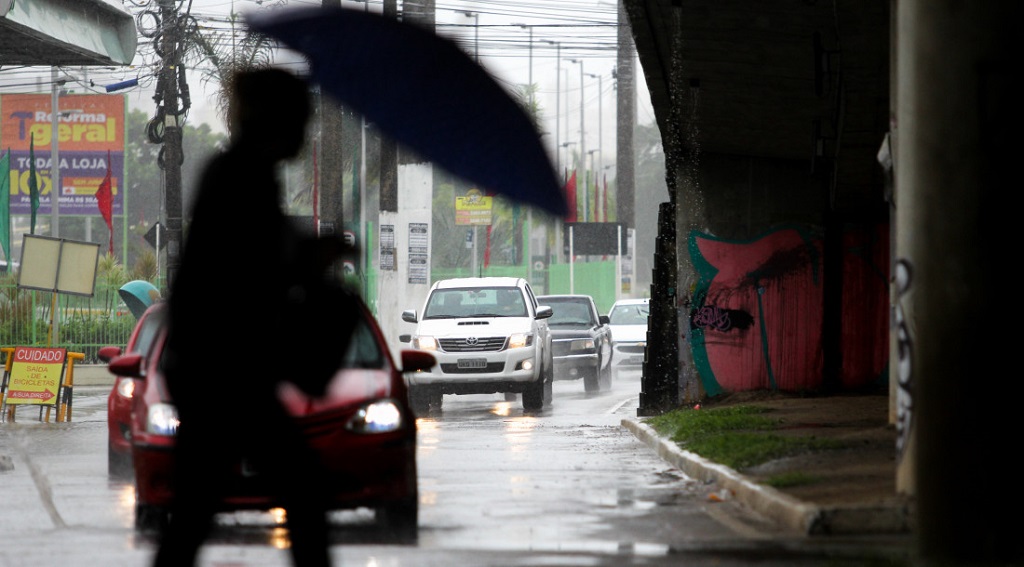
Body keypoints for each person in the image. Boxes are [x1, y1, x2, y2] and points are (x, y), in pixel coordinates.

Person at [155, 68, 336, 567]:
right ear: (279, 119)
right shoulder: (244, 175)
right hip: (223, 374)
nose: (308, 130)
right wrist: (308, 262)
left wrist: (307, 255)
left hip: (219, 371)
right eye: (302, 118)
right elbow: (247, 272)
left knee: (194, 514)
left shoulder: (244, 172)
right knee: (299, 493)